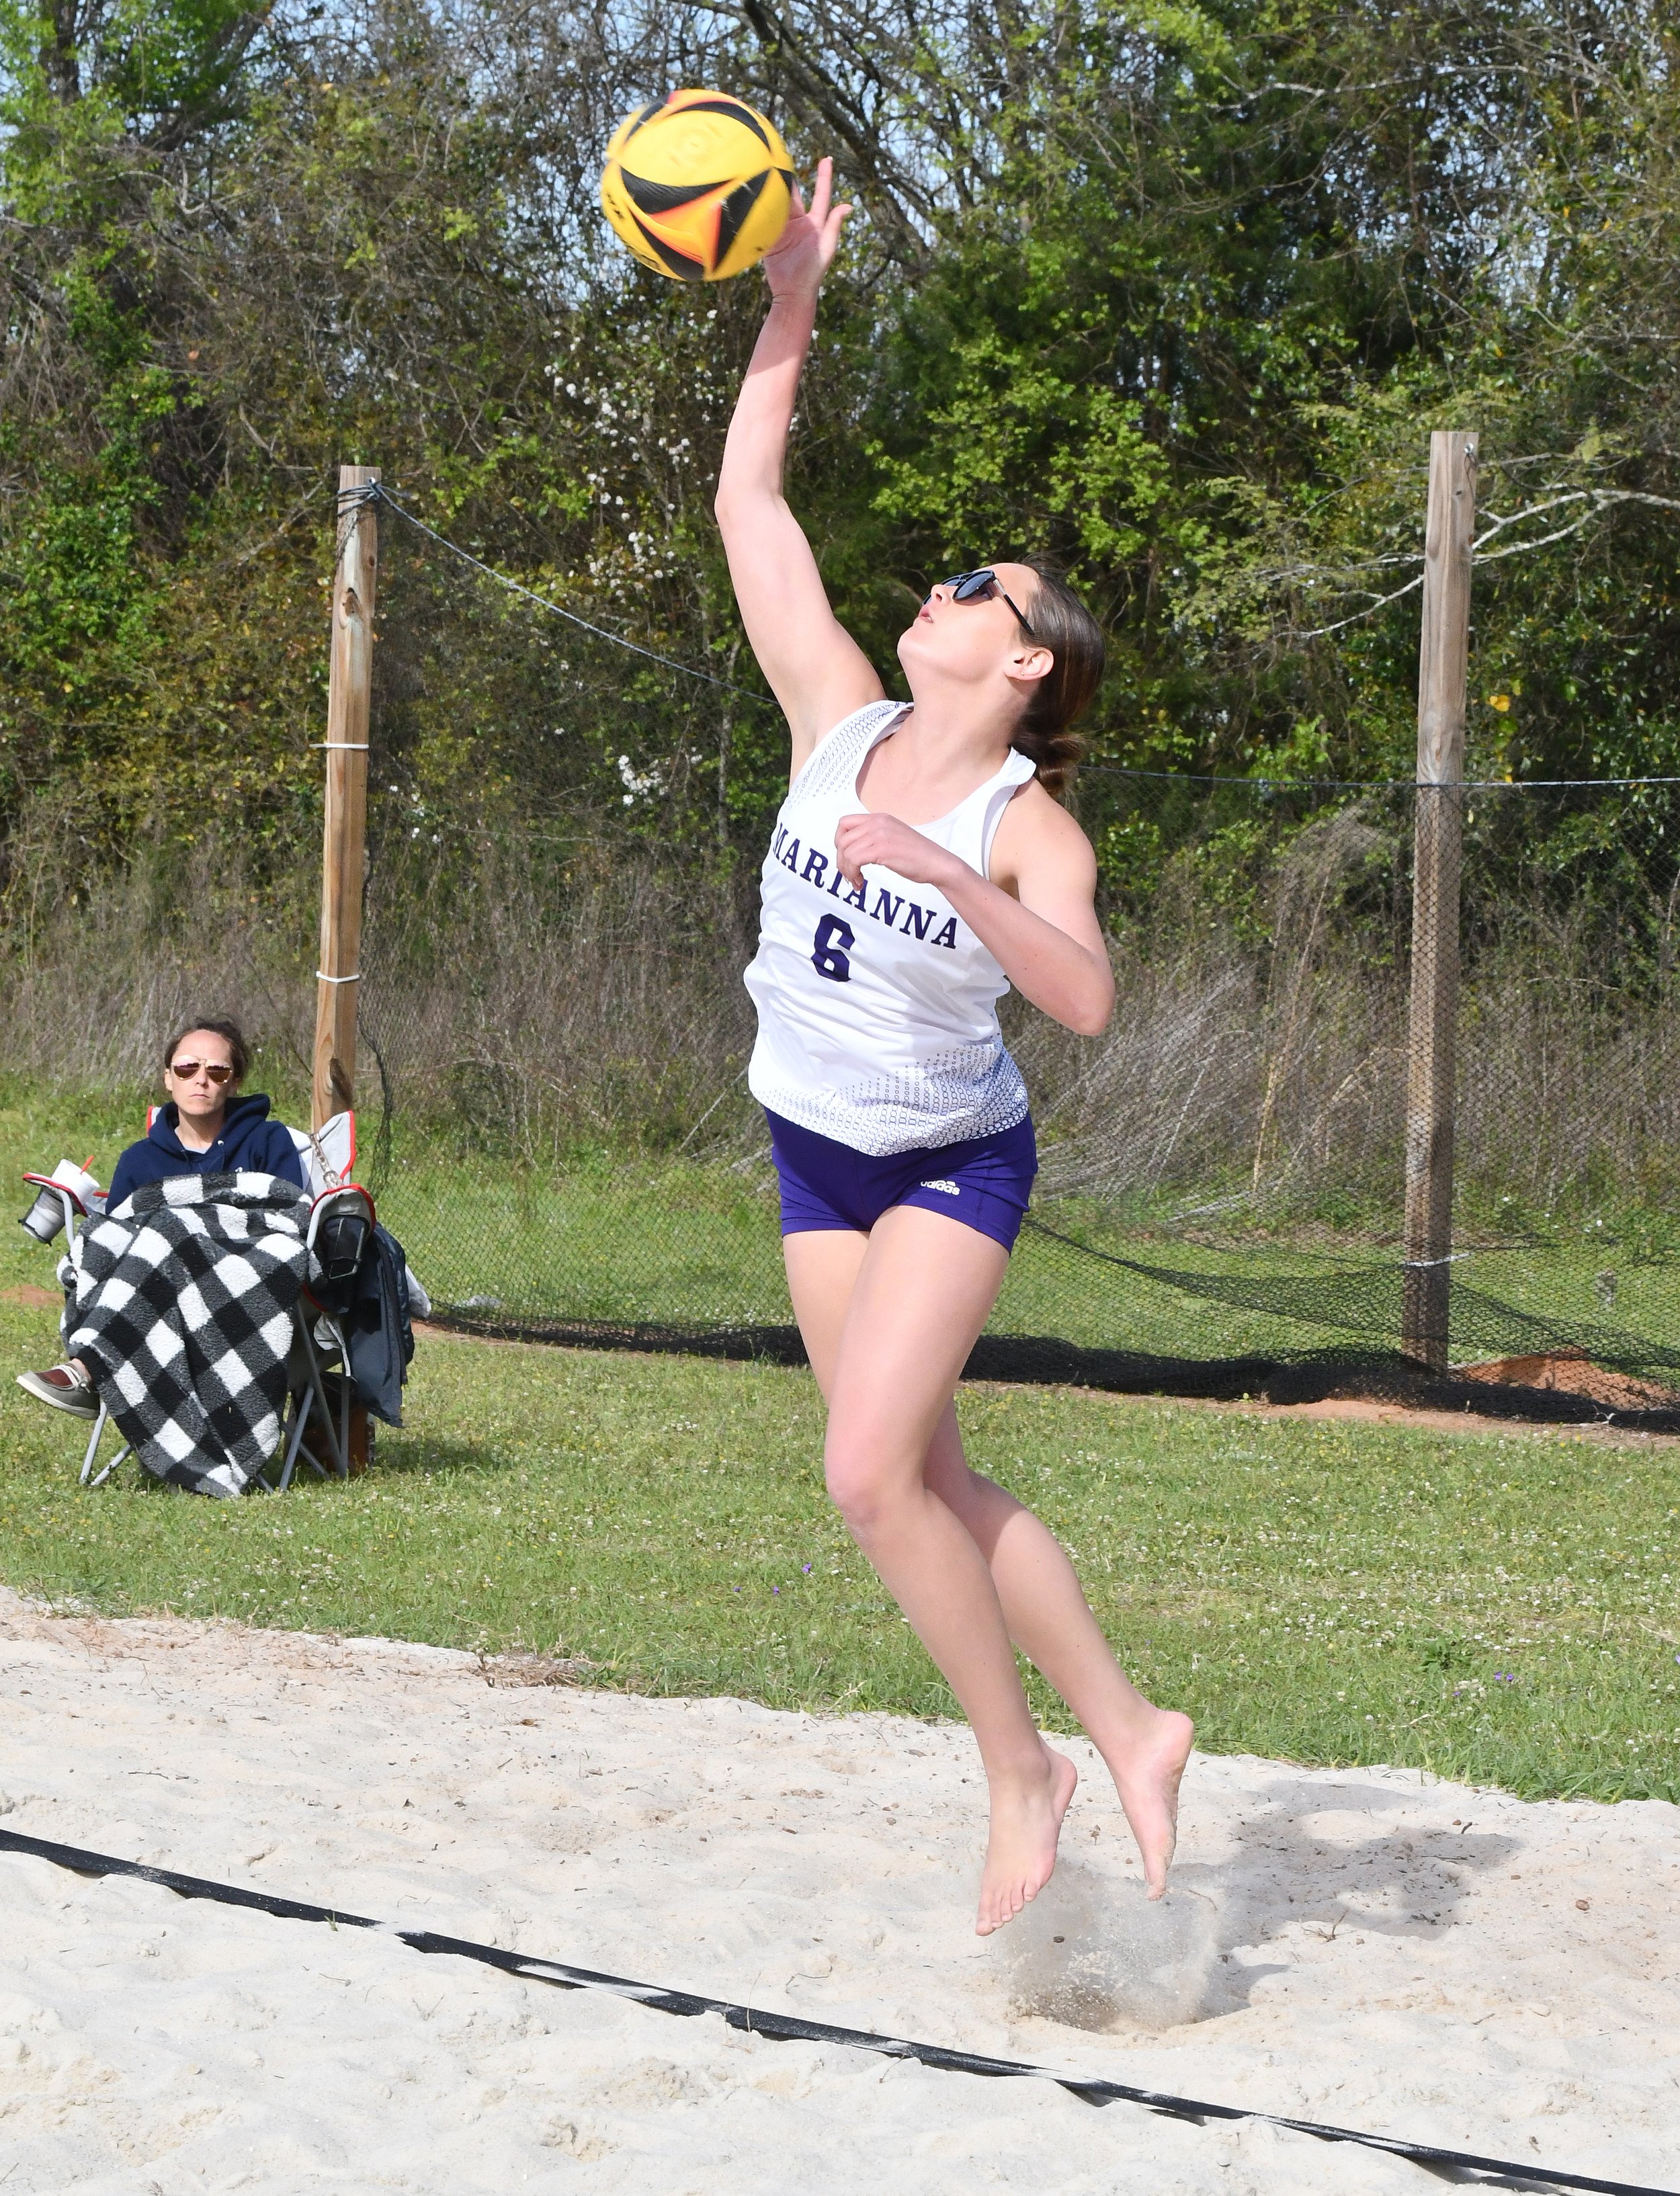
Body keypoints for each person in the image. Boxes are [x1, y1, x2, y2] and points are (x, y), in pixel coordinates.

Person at [714, 160, 1194, 1936]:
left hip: (943, 1160)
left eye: (976, 587)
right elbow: (751, 503)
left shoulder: (1019, 817)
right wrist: (789, 304)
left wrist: (945, 871)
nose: (940, 585)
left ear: (1023, 663)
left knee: (860, 1467)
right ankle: (1131, 1724)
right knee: (919, 1477)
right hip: (808, 1142)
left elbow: (1080, 998)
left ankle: (1026, 1771)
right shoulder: (833, 720)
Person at [17, 1017, 306, 1421]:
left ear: (234, 1082)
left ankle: (87, 1370)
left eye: (216, 1071)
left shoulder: (268, 1140)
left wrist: (195, 1228)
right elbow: (119, 1234)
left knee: (171, 1229)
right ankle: (92, 1367)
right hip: (157, 1297)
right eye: (188, 1068)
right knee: (105, 1237)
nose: (200, 1080)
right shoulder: (140, 1159)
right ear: (168, 1077)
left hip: (241, 1285)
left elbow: (286, 1217)